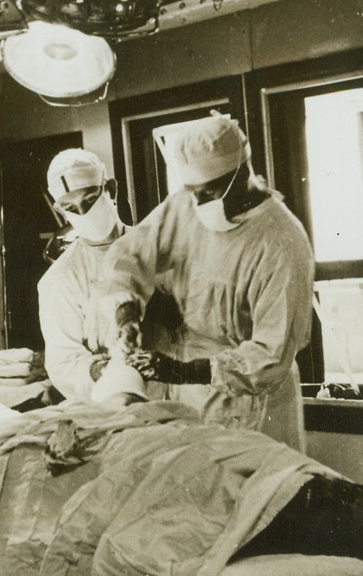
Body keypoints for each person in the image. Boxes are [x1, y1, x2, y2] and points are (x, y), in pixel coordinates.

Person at [107, 113, 314, 451]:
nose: (199, 204)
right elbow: (129, 255)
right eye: (193, 193)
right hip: (191, 389)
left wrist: (186, 372)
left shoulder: (281, 241)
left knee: (256, 492)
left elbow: (271, 355)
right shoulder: (185, 206)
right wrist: (126, 313)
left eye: (209, 192)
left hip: (253, 397)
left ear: (241, 173)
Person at [36, 147, 128, 401]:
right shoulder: (61, 279)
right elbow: (64, 362)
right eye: (71, 208)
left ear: (111, 189)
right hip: (117, 397)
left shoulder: (156, 246)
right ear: (59, 209)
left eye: (89, 201)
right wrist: (104, 369)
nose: (84, 213)